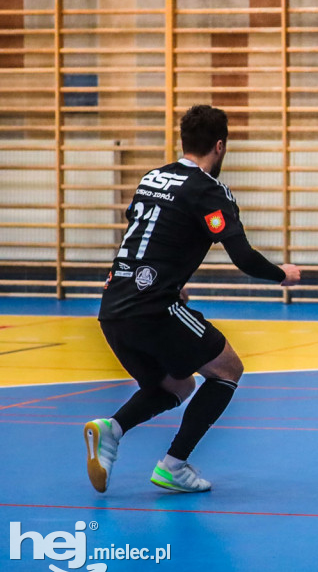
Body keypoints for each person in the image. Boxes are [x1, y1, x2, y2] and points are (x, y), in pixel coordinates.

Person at [86, 105, 301, 494]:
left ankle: (111, 430)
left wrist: (169, 278)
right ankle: (173, 465)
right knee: (227, 370)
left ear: (184, 141)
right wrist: (280, 274)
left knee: (175, 387)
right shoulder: (209, 191)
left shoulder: (153, 177)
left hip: (113, 308)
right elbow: (242, 256)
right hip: (153, 309)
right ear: (220, 146)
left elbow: (139, 226)